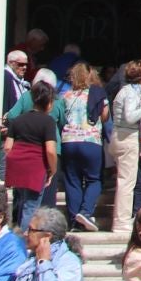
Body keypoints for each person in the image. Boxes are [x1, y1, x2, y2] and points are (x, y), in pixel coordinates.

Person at [57, 62, 110, 231]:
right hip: (90, 141)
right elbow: (104, 116)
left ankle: (74, 220)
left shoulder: (66, 96)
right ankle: (85, 212)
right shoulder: (97, 94)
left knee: (72, 181)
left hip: (69, 141)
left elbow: (61, 117)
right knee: (94, 179)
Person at [6, 81, 61, 231]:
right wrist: (53, 169)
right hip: (35, 168)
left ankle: (16, 233)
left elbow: (7, 147)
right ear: (49, 103)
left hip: (17, 167)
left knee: (21, 202)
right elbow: (50, 150)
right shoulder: (48, 122)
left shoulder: (17, 120)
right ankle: (24, 240)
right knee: (31, 206)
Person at [111, 59, 141, 236]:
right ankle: (121, 221)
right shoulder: (129, 93)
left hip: (121, 136)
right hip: (126, 137)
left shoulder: (128, 92)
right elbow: (129, 116)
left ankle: (122, 218)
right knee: (127, 181)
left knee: (126, 180)